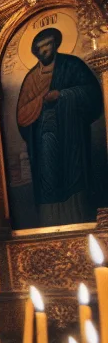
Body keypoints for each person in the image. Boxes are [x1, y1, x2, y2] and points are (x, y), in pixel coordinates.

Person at [13, 28, 103, 226]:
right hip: (44, 140)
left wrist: (62, 95)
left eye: (48, 45)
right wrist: (40, 102)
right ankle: (51, 226)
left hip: (71, 137)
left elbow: (92, 94)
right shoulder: (31, 79)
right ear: (35, 52)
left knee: (74, 176)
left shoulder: (72, 65)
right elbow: (22, 115)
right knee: (48, 181)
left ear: (56, 45)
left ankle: (80, 222)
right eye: (40, 48)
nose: (45, 50)